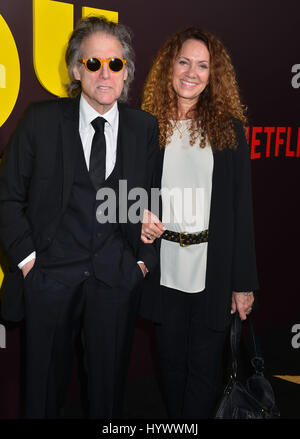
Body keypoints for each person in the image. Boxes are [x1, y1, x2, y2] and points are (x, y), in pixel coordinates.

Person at [0, 16, 159, 419]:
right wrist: (28, 261)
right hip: (50, 277)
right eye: (93, 64)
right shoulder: (41, 121)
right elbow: (7, 195)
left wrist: (140, 261)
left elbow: (147, 199)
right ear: (76, 68)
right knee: (42, 398)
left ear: (126, 72)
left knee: (108, 399)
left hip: (115, 280)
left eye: (115, 64)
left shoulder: (144, 128)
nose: (105, 74)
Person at [139, 27, 259, 419]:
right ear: (169, 68)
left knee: (205, 374)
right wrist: (135, 216)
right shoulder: (146, 127)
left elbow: (242, 210)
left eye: (203, 65)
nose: (192, 72)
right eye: (184, 61)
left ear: (214, 75)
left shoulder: (229, 130)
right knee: (171, 370)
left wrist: (243, 284)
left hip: (213, 272)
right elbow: (126, 192)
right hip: (163, 269)